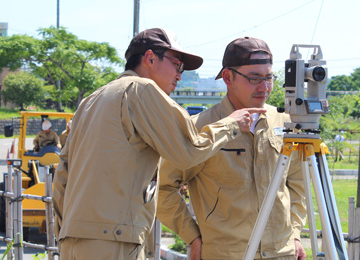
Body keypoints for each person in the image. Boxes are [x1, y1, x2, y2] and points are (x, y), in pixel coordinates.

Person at [53, 28, 264, 260]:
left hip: (73, 239)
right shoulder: (141, 90)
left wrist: (65, 232)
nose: (179, 74)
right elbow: (188, 151)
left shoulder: (91, 101)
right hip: (115, 240)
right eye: (177, 64)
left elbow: (62, 176)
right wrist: (231, 125)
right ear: (150, 58)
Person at [156, 37, 307, 260]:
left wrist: (294, 234)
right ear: (228, 77)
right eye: (254, 78)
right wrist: (191, 237)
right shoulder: (200, 127)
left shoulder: (285, 122)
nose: (264, 87)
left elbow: (298, 184)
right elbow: (163, 187)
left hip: (281, 253)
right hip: (226, 254)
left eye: (268, 77)